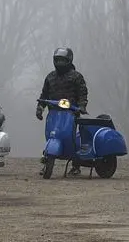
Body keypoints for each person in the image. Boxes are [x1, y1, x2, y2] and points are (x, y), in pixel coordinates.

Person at [35, 47, 88, 176]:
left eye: (62, 60)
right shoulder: (50, 77)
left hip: (71, 112)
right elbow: (44, 94)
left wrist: (81, 106)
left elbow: (82, 93)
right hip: (53, 112)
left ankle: (76, 165)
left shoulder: (76, 76)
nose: (59, 63)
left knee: (70, 137)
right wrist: (40, 107)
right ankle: (47, 161)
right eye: (57, 60)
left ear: (69, 60)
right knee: (51, 135)